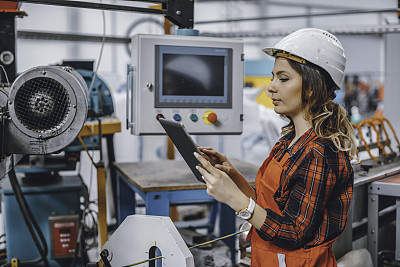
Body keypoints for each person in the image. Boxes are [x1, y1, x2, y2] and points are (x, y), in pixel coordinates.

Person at [195, 28, 357, 267]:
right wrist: (232, 176)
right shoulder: (289, 141)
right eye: (273, 77)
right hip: (269, 258)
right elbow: (270, 207)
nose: (271, 87)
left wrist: (236, 200)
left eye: (283, 78)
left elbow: (293, 233)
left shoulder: (320, 152)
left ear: (312, 86)